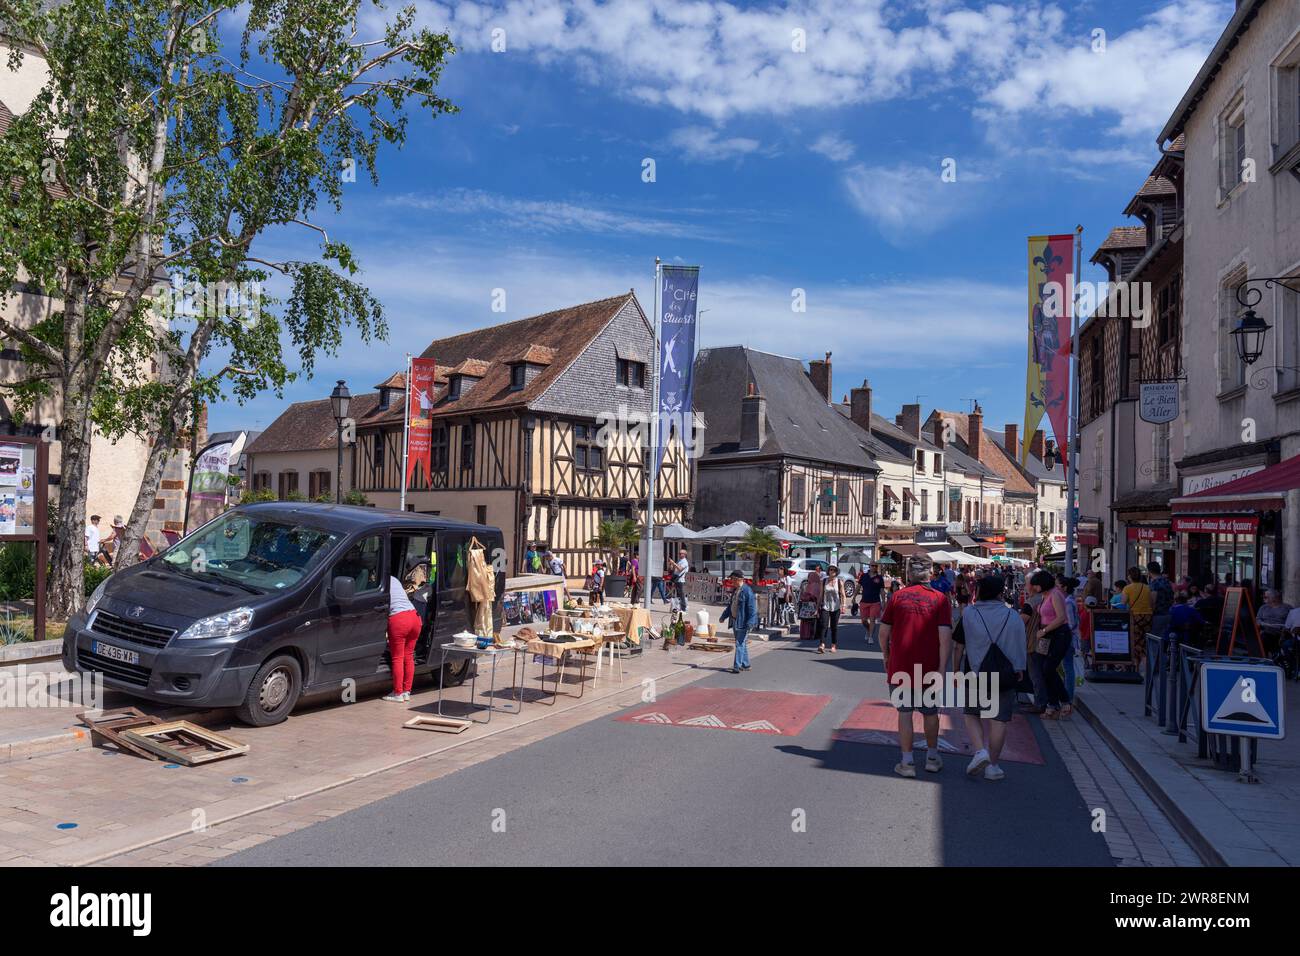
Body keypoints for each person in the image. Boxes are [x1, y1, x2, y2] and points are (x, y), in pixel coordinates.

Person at [879, 557, 953, 778]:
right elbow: (945, 637)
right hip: (929, 666)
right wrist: (942, 668)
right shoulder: (940, 599)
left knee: (904, 712)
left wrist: (886, 655)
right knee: (930, 713)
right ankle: (931, 757)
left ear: (909, 573)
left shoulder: (897, 597)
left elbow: (883, 633)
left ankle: (907, 761)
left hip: (901, 664)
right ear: (930, 573)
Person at [955, 574, 1026, 781]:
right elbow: (1019, 643)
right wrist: (1020, 667)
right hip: (1005, 673)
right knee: (999, 719)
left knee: (972, 713)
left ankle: (979, 751)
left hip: (974, 672)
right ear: (999, 592)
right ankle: (993, 766)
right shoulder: (1012, 615)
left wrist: (956, 670)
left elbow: (959, 645)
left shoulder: (969, 613)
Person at [1027, 569, 1072, 719]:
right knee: (1043, 669)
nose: (1034, 588)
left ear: (1043, 584)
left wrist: (1045, 630)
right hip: (1045, 635)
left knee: (1048, 668)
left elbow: (1061, 617)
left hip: (1058, 634)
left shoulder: (1055, 594)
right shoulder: (1044, 596)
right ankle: (1053, 705)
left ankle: (1064, 701)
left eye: (1036, 585)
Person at [383, 575, 421, 702]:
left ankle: (397, 693)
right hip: (414, 617)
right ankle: (406, 692)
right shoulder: (394, 579)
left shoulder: (381, 581)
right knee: (408, 656)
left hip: (399, 619)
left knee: (397, 657)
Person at [719, 570, 757, 674]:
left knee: (739, 643)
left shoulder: (747, 591)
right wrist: (723, 616)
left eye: (732, 579)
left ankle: (737, 666)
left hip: (743, 622)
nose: (731, 581)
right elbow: (730, 606)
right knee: (742, 643)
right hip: (735, 620)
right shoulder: (736, 590)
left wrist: (750, 623)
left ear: (737, 579)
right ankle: (746, 664)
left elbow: (752, 609)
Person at [1122, 566, 1154, 671]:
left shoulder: (1127, 588)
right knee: (1144, 642)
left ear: (1130, 577)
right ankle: (1147, 669)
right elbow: (1151, 603)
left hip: (1135, 616)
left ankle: (1136, 667)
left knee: (1135, 641)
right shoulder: (1147, 587)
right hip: (1147, 617)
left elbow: (1123, 603)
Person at [1058, 575, 1081, 702]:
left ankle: (1068, 697)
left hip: (1068, 639)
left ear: (1064, 588)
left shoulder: (1067, 602)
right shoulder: (1070, 600)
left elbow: (1071, 623)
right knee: (1066, 667)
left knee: (1068, 667)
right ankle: (1066, 695)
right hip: (1069, 638)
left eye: (1058, 586)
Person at [819, 565, 846, 654]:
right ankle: (822, 644)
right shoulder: (824, 581)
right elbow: (820, 595)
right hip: (826, 606)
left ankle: (833, 645)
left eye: (834, 570)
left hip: (836, 607)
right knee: (824, 625)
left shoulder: (839, 582)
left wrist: (844, 605)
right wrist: (817, 607)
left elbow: (843, 595)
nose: (832, 571)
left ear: (836, 571)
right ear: (828, 571)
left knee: (834, 627)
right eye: (831, 569)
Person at [1257, 589, 1294, 654]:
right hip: (1267, 632)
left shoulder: (1287, 608)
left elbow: (1293, 622)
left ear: (1274, 598)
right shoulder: (1263, 607)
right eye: (1264, 597)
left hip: (1282, 633)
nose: (1264, 598)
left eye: (1266, 597)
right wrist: (1262, 624)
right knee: (1262, 638)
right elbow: (1257, 619)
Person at [858, 563, 885, 644]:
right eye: (872, 565)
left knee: (872, 619)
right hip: (864, 601)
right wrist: (854, 597)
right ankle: (868, 629)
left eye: (876, 566)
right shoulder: (864, 576)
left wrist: (883, 601)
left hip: (875, 601)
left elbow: (882, 590)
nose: (874, 567)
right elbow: (858, 586)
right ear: (869, 566)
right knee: (863, 621)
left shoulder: (879, 577)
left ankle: (870, 637)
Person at [1147, 561, 1174, 639]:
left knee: (1153, 640)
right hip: (1167, 614)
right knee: (1162, 639)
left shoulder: (1154, 583)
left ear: (1149, 571)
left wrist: (1150, 613)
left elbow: (1153, 600)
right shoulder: (1167, 581)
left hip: (1157, 615)